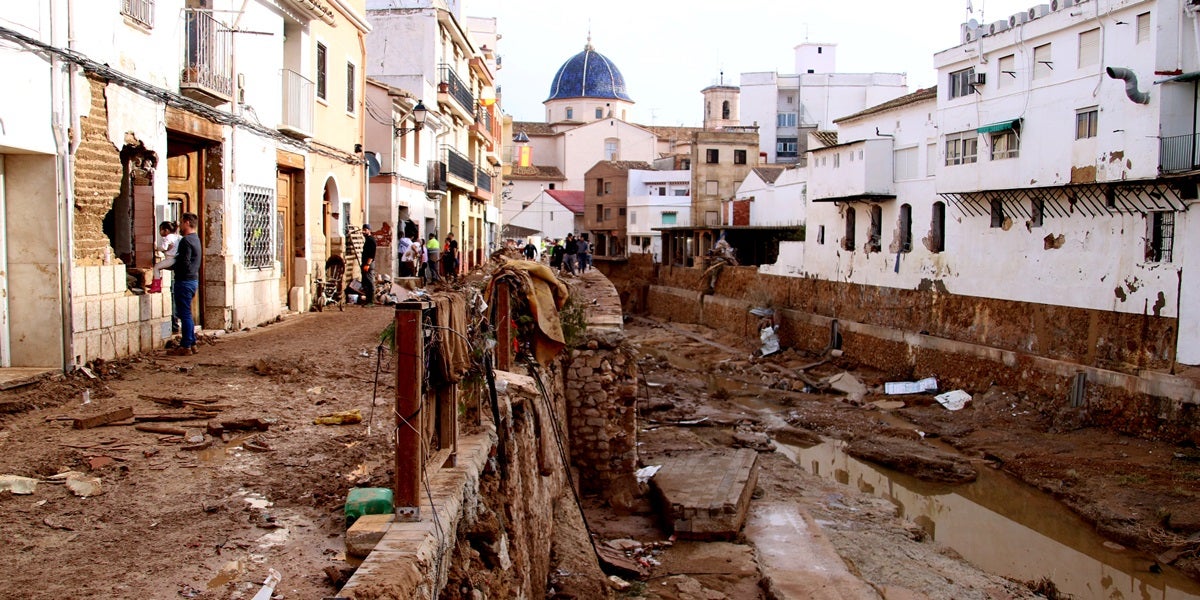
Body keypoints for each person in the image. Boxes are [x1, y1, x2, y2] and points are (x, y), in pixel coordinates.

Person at [169, 213, 201, 356]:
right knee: (187, 313)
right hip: (192, 280)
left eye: (181, 223)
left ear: (187, 223)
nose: (180, 226)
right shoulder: (196, 239)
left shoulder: (186, 241)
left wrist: (170, 265)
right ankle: (192, 342)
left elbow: (184, 263)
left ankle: (186, 345)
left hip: (184, 281)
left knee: (185, 314)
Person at [148, 220, 180, 294]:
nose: (160, 232)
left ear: (166, 230)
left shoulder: (168, 237)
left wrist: (156, 248)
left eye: (161, 230)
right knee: (160, 267)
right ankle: (156, 282)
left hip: (170, 259)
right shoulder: (176, 237)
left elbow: (164, 247)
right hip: (175, 259)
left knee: (156, 267)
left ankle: (157, 286)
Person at [360, 223, 376, 305]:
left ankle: (371, 301)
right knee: (366, 282)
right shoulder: (367, 240)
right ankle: (368, 300)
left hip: (369, 264)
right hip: (366, 263)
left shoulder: (371, 240)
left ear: (369, 230)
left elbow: (371, 254)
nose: (363, 232)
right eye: (363, 230)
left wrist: (367, 264)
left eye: (365, 230)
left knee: (370, 282)